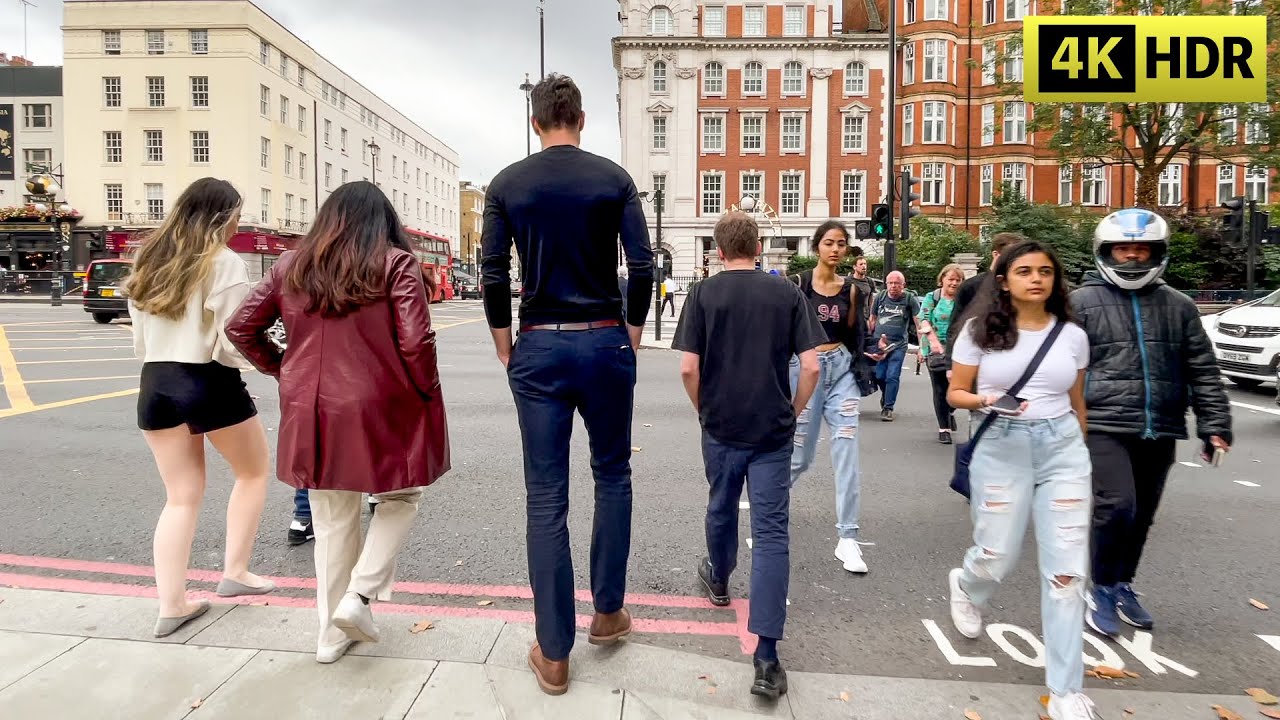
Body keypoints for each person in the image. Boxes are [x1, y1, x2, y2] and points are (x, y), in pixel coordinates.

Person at [480, 73, 654, 696]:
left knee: (546, 496)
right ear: (581, 119)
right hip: (605, 339)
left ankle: (553, 653)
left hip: (539, 343)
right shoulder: (614, 179)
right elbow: (643, 264)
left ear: (535, 123)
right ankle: (607, 613)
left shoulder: (506, 185)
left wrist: (504, 341)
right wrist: (632, 329)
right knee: (613, 474)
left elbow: (493, 272)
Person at [226, 181, 450, 664]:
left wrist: (284, 368)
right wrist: (426, 388)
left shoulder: (291, 264)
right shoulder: (395, 263)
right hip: (380, 401)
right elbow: (416, 341)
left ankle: (329, 637)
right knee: (400, 496)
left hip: (310, 404)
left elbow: (241, 326)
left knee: (330, 520)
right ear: (383, 221)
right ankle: (360, 595)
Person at [945, 240, 1099, 720]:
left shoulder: (1072, 336)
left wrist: (1081, 450)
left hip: (1062, 451)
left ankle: (1066, 691)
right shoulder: (978, 332)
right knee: (996, 554)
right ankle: (967, 585)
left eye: (1045, 272)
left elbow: (1077, 402)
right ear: (1005, 281)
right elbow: (955, 392)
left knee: (1067, 573)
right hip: (1001, 445)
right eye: (1026, 271)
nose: (1037, 279)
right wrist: (985, 400)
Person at [673, 212, 823, 700]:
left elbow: (689, 369)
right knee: (772, 533)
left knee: (720, 507)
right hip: (771, 430)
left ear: (718, 251)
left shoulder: (702, 294)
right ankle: (767, 658)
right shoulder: (787, 293)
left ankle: (719, 578)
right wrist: (793, 411)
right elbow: (812, 367)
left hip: (721, 425)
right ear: (758, 247)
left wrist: (704, 411)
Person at [1070, 209, 1232, 637]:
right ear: (1105, 251)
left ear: (1157, 253)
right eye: (1123, 249)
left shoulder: (1179, 306)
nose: (1132, 257)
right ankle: (1101, 588)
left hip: (1160, 424)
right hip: (1102, 422)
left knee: (1142, 514)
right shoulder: (1080, 303)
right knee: (1117, 505)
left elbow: (1202, 369)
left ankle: (1123, 583)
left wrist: (1215, 424)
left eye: (1142, 249)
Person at [126, 177, 275, 638]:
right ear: (222, 216)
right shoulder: (224, 261)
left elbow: (139, 337)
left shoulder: (149, 257)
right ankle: (236, 571)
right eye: (236, 216)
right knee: (253, 472)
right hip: (206, 377)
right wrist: (250, 370)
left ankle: (172, 605)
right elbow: (233, 335)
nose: (237, 225)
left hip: (155, 380)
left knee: (180, 496)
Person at [788, 221, 869, 573]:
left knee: (847, 449)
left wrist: (867, 358)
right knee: (799, 457)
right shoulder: (798, 284)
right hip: (807, 370)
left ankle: (848, 537)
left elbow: (855, 333)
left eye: (841, 244)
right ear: (817, 247)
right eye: (829, 243)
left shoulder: (851, 290)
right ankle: (768, 513)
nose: (835, 249)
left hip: (841, 369)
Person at [947, 232, 1025, 358]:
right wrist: (950, 363)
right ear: (996, 254)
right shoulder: (970, 286)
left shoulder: (1021, 286)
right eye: (1012, 255)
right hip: (975, 356)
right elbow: (955, 327)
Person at [918, 264, 965, 444]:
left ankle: (950, 410)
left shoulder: (964, 299)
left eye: (958, 280)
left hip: (959, 349)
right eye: (951, 279)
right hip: (935, 348)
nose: (954, 283)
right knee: (939, 388)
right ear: (942, 279)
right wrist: (932, 342)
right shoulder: (933, 297)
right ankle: (944, 428)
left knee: (957, 387)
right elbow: (924, 320)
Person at [867, 271, 920, 422]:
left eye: (897, 283)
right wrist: (868, 340)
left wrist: (922, 347)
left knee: (892, 376)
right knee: (879, 376)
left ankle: (888, 407)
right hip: (880, 344)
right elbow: (872, 319)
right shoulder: (880, 297)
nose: (893, 286)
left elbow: (918, 323)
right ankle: (886, 395)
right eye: (890, 283)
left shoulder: (909, 299)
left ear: (903, 285)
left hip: (898, 345)